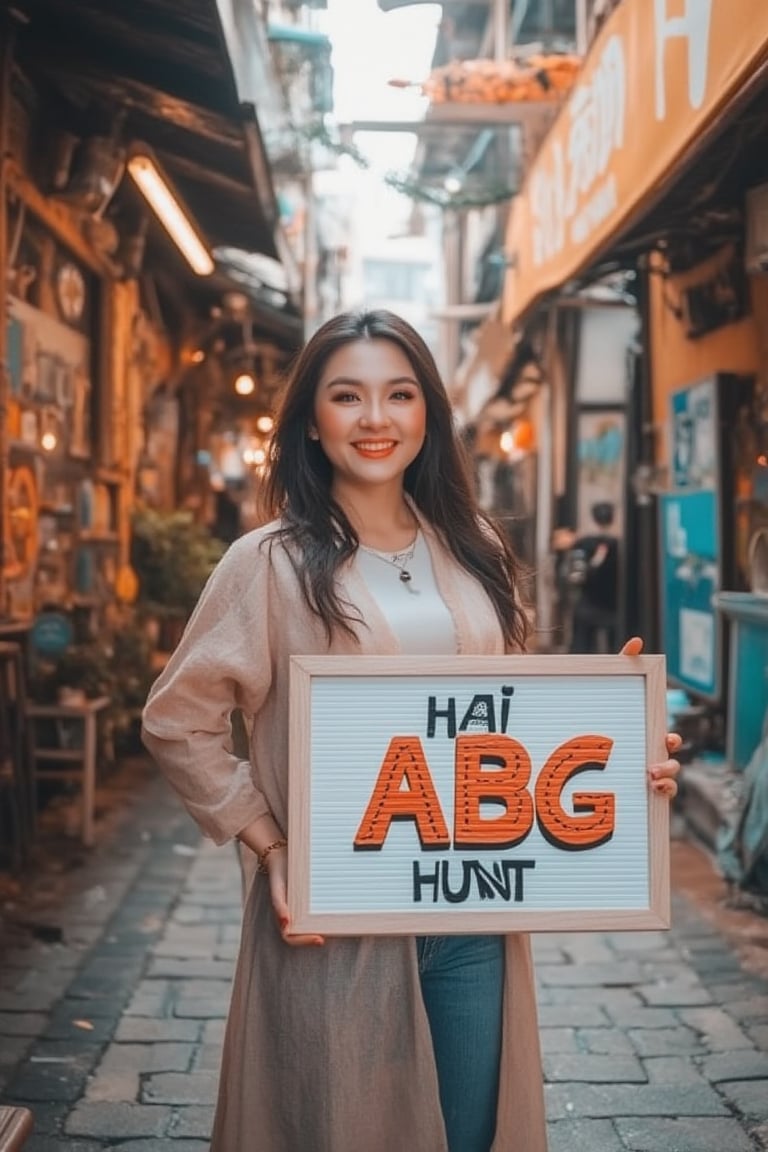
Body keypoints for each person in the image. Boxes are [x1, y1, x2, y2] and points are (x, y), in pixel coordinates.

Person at [141, 310, 681, 1152]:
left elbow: (506, 725)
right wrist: (275, 849)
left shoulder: (479, 554)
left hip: (475, 914)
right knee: (344, 1126)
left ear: (428, 412)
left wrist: (619, 754)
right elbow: (179, 720)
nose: (375, 418)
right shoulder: (268, 563)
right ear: (312, 424)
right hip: (337, 919)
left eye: (398, 394)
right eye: (347, 396)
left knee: (471, 1133)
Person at [568, 500, 620, 654]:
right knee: (615, 651)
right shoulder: (618, 545)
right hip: (612, 606)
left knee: (582, 649)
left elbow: (577, 576)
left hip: (588, 604)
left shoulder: (583, 544)